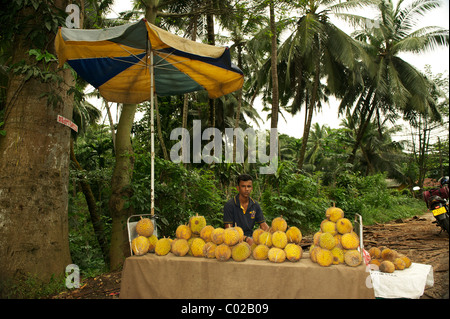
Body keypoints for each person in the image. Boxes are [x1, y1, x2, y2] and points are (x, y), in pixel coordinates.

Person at [223, 174, 269, 245]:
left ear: (252, 188)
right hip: (234, 240)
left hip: (250, 237)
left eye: (249, 186)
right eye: (243, 186)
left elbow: (263, 225)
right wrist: (245, 239)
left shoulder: (255, 205)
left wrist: (273, 234)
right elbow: (228, 231)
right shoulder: (230, 205)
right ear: (238, 188)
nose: (246, 189)